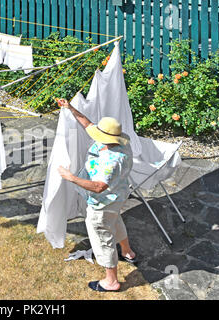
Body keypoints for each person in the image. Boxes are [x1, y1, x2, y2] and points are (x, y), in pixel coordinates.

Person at [56, 98, 137, 292]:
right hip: (116, 197)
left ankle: (111, 281)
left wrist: (71, 177)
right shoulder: (120, 140)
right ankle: (128, 252)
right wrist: (70, 108)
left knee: (102, 237)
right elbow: (88, 124)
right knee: (115, 221)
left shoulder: (111, 160)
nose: (94, 132)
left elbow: (99, 186)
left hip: (102, 202)